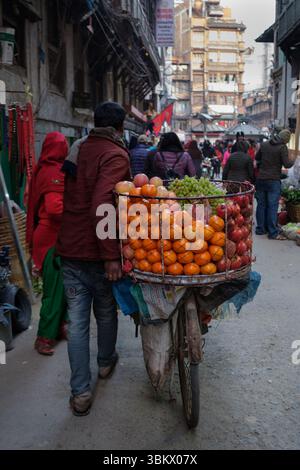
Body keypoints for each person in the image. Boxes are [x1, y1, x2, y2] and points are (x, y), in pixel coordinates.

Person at [56, 102, 130, 416]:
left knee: (77, 324)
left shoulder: (78, 147)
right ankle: (104, 362)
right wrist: (111, 255)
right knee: (104, 310)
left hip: (70, 248)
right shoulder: (114, 154)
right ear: (119, 128)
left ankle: (80, 393)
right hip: (95, 252)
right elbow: (102, 202)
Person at [26, 132, 69, 356]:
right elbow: (54, 209)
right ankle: (44, 337)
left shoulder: (44, 169)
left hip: (51, 237)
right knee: (53, 291)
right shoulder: (54, 172)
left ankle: (59, 328)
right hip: (52, 239)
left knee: (62, 288)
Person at [255, 129, 294, 240]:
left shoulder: (265, 144)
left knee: (261, 205)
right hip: (273, 180)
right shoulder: (282, 147)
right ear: (285, 140)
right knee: (272, 206)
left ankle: (261, 229)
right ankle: (272, 232)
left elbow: (257, 158)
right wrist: (293, 159)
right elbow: (287, 164)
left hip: (261, 179)